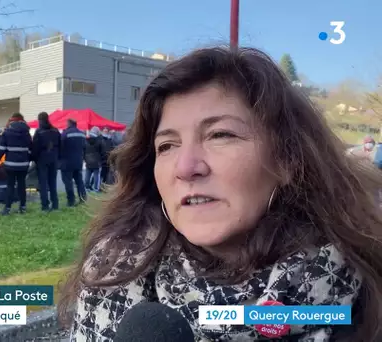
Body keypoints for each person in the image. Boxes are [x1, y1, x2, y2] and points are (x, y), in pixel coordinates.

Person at [59, 47, 382, 341]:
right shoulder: (112, 271)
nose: (185, 168)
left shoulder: (363, 292)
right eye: (167, 145)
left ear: (287, 161)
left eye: (220, 134)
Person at [0, 113, 32, 215]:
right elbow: (31, 149)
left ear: (12, 121)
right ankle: (23, 207)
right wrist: (28, 160)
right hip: (23, 165)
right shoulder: (27, 133)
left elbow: (1, 149)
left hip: (10, 165)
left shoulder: (7, 132)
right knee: (22, 185)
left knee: (10, 185)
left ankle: (7, 208)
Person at [32, 112, 61, 212]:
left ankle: (45, 205)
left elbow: (35, 147)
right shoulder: (55, 130)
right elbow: (60, 145)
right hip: (54, 158)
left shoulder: (39, 131)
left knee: (43, 184)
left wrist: (34, 159)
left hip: (42, 159)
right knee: (53, 182)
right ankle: (55, 204)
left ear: (40, 120)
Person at [59, 118, 87, 206]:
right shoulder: (82, 134)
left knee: (68, 182)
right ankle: (83, 198)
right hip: (78, 161)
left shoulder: (65, 133)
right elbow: (85, 147)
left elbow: (61, 146)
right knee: (79, 181)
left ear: (69, 124)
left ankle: (71, 201)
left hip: (67, 162)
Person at [84, 126, 104, 192]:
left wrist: (85, 158)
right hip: (97, 161)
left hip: (88, 160)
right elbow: (102, 151)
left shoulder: (86, 140)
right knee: (96, 176)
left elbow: (84, 150)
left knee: (87, 175)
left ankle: (86, 187)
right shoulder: (99, 140)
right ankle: (96, 188)